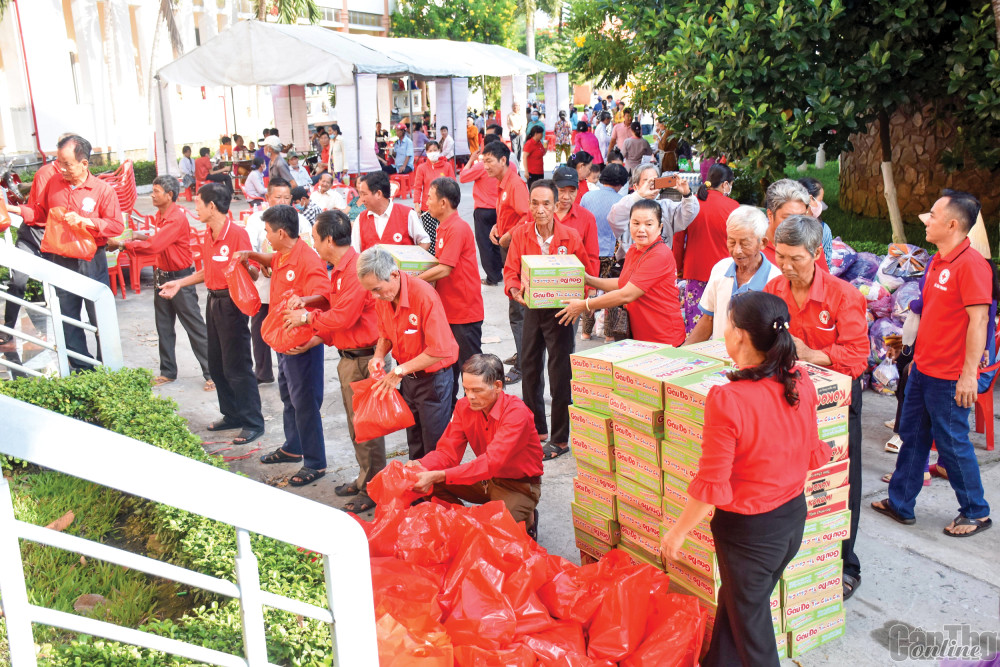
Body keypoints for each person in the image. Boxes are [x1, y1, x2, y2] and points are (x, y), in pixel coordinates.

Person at [661, 290, 831, 667]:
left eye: (727, 322)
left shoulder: (729, 399)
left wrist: (678, 532)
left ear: (738, 334)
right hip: (789, 524)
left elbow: (711, 483)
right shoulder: (799, 380)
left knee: (754, 636)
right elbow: (811, 449)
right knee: (738, 607)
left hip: (749, 536)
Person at [873, 191, 993, 538]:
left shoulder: (971, 266)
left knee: (953, 443)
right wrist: (913, 357)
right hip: (925, 369)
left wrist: (968, 375)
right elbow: (932, 316)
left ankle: (976, 512)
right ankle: (900, 502)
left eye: (934, 215)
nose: (927, 219)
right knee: (912, 437)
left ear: (952, 224)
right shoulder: (939, 261)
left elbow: (979, 322)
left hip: (950, 377)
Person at [764, 214, 869, 600]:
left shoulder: (843, 296)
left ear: (816, 253)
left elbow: (859, 356)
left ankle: (847, 564)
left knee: (843, 481)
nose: (787, 266)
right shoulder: (776, 287)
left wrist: (815, 355)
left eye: (796, 259)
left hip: (839, 399)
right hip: (792, 396)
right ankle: (802, 557)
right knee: (796, 479)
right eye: (781, 256)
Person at [280, 210, 384, 512]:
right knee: (357, 426)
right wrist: (310, 302)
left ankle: (372, 488)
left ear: (328, 239)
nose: (312, 244)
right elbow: (334, 304)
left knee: (367, 428)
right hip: (350, 357)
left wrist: (305, 317)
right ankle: (365, 477)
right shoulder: (341, 268)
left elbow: (342, 316)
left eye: (314, 238)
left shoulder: (353, 271)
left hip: (364, 359)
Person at [159, 184, 265, 445]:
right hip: (213, 301)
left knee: (237, 365)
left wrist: (245, 265)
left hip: (232, 303)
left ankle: (253, 421)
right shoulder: (208, 234)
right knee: (216, 365)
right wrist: (180, 283)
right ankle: (231, 414)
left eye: (198, 202)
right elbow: (208, 271)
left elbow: (254, 272)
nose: (195, 207)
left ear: (212, 206)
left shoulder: (237, 234)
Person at [8, 135, 124, 371]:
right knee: (67, 318)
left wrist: (86, 221)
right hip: (60, 259)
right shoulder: (54, 183)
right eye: (59, 162)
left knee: (99, 317)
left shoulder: (102, 191)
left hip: (91, 261)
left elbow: (116, 226)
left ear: (84, 164)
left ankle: (108, 370)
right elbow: (40, 214)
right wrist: (11, 208)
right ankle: (83, 370)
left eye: (67, 163)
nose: (61, 168)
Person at [237, 205, 330, 486]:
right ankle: (293, 446)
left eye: (266, 231)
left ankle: (316, 462)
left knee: (305, 403)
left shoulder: (308, 260)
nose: (264, 236)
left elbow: (325, 296)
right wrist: (252, 255)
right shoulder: (282, 254)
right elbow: (272, 258)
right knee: (289, 397)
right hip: (283, 339)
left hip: (302, 344)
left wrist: (304, 302)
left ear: (280, 232)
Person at [410, 354, 544, 536]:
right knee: (427, 480)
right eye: (466, 389)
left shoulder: (516, 413)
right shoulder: (464, 406)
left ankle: (527, 516)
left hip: (517, 485)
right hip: (485, 479)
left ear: (497, 386)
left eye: (477, 390)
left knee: (493, 539)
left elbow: (491, 463)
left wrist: (440, 474)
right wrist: (422, 465)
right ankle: (461, 523)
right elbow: (447, 453)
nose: (470, 396)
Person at [504, 180, 589, 459]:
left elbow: (585, 273)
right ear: (529, 204)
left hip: (562, 312)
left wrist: (580, 301)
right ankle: (536, 429)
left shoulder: (570, 237)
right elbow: (511, 270)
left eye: (546, 204)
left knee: (560, 372)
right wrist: (514, 289)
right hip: (532, 308)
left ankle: (561, 439)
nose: (539, 210)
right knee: (528, 367)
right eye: (534, 203)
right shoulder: (521, 234)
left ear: (556, 205)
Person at [109, 176, 212, 390]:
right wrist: (137, 236)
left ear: (169, 195)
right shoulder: (161, 216)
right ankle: (168, 372)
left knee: (194, 327)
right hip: (162, 276)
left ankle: (212, 373)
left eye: (156, 191)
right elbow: (157, 241)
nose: (152, 195)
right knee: (164, 326)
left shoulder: (176, 218)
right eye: (153, 190)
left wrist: (122, 245)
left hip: (180, 278)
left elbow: (155, 246)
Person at [359, 246, 459, 461]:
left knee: (435, 446)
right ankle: (418, 491)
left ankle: (438, 493)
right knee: (415, 442)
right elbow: (385, 334)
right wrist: (378, 356)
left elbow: (439, 350)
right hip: (409, 379)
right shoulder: (384, 298)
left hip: (433, 381)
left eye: (377, 289)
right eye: (371, 291)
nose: (375, 295)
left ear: (394, 275)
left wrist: (399, 370)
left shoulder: (423, 295)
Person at [558, 198, 685, 346]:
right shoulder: (634, 249)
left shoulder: (660, 254)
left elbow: (627, 294)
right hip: (640, 336)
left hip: (664, 337)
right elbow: (622, 283)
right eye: (636, 223)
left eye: (649, 224)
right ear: (629, 224)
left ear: (660, 227)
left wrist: (584, 305)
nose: (641, 229)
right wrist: (588, 279)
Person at [417, 178, 485, 404]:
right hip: (450, 310)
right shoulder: (443, 226)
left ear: (443, 203)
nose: (426, 202)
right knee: (451, 367)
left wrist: (413, 281)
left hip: (464, 312)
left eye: (429, 197)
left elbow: (445, 269)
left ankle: (478, 413)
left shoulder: (457, 227)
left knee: (471, 369)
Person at [244, 178, 312, 385]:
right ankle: (263, 372)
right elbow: (251, 248)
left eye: (286, 197)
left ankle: (288, 368)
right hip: (265, 290)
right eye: (278, 197)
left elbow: (310, 250)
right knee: (260, 330)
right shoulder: (256, 221)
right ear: (267, 198)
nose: (282, 201)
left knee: (288, 329)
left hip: (292, 291)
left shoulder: (300, 221)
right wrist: (259, 262)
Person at [685, 206, 782, 344]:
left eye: (745, 243)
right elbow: (708, 319)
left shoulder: (775, 280)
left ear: (763, 243)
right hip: (720, 360)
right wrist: (684, 351)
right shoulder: (721, 269)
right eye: (731, 242)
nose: (737, 251)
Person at [484, 141, 530, 384]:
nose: (486, 166)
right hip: (509, 249)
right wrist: (497, 227)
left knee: (518, 310)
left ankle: (524, 364)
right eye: (484, 161)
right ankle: (522, 353)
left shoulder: (515, 184)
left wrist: (509, 233)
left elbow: (527, 216)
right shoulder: (503, 184)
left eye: (489, 161)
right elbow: (511, 215)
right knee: (516, 309)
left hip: (517, 252)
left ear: (503, 160)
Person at [676, 163, 739, 333]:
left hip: (695, 272)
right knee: (722, 322)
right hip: (726, 273)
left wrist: (678, 268)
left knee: (695, 325)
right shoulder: (733, 207)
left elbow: (678, 238)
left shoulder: (691, 203)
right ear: (726, 184)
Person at [579, 164, 629, 339]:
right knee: (612, 295)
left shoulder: (587, 197)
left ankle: (585, 332)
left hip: (588, 253)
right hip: (610, 253)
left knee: (589, 289)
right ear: (621, 183)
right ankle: (609, 334)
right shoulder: (622, 201)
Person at [609, 164, 700, 255]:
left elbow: (688, 214)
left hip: (660, 261)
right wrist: (639, 195)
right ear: (636, 187)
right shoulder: (628, 204)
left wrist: (687, 194)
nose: (651, 186)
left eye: (655, 182)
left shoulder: (666, 206)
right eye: (646, 182)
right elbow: (614, 218)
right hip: (633, 261)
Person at [460, 136, 505, 286]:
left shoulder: (482, 166)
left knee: (485, 244)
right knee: (498, 242)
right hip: (499, 208)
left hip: (483, 209)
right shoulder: (506, 164)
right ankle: (498, 273)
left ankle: (492, 277)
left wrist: (471, 160)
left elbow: (463, 177)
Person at [352, 171, 430, 252]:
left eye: (364, 194)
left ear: (378, 194)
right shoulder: (360, 219)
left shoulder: (407, 214)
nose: (361, 199)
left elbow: (425, 241)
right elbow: (355, 252)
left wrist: (411, 260)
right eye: (360, 194)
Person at [762, 179, 829, 272]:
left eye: (801, 216)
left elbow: (824, 281)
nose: (796, 223)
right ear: (770, 215)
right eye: (788, 217)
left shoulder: (810, 239)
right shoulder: (751, 247)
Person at [551, 166, 599, 276]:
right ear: (553, 189)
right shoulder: (542, 213)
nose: (566, 197)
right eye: (562, 191)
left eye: (572, 192)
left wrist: (591, 286)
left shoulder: (587, 218)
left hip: (574, 280)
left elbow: (592, 257)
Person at [412, 140, 457, 253]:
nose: (433, 153)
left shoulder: (447, 166)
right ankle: (432, 262)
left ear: (440, 151)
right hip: (428, 209)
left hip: (444, 208)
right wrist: (416, 205)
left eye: (435, 150)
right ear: (426, 152)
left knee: (447, 235)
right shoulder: (422, 168)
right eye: (430, 150)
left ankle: (445, 257)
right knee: (429, 237)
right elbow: (417, 187)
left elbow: (453, 185)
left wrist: (453, 205)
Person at [797, 176, 834, 269]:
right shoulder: (823, 230)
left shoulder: (823, 229)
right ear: (810, 199)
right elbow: (826, 266)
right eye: (820, 200)